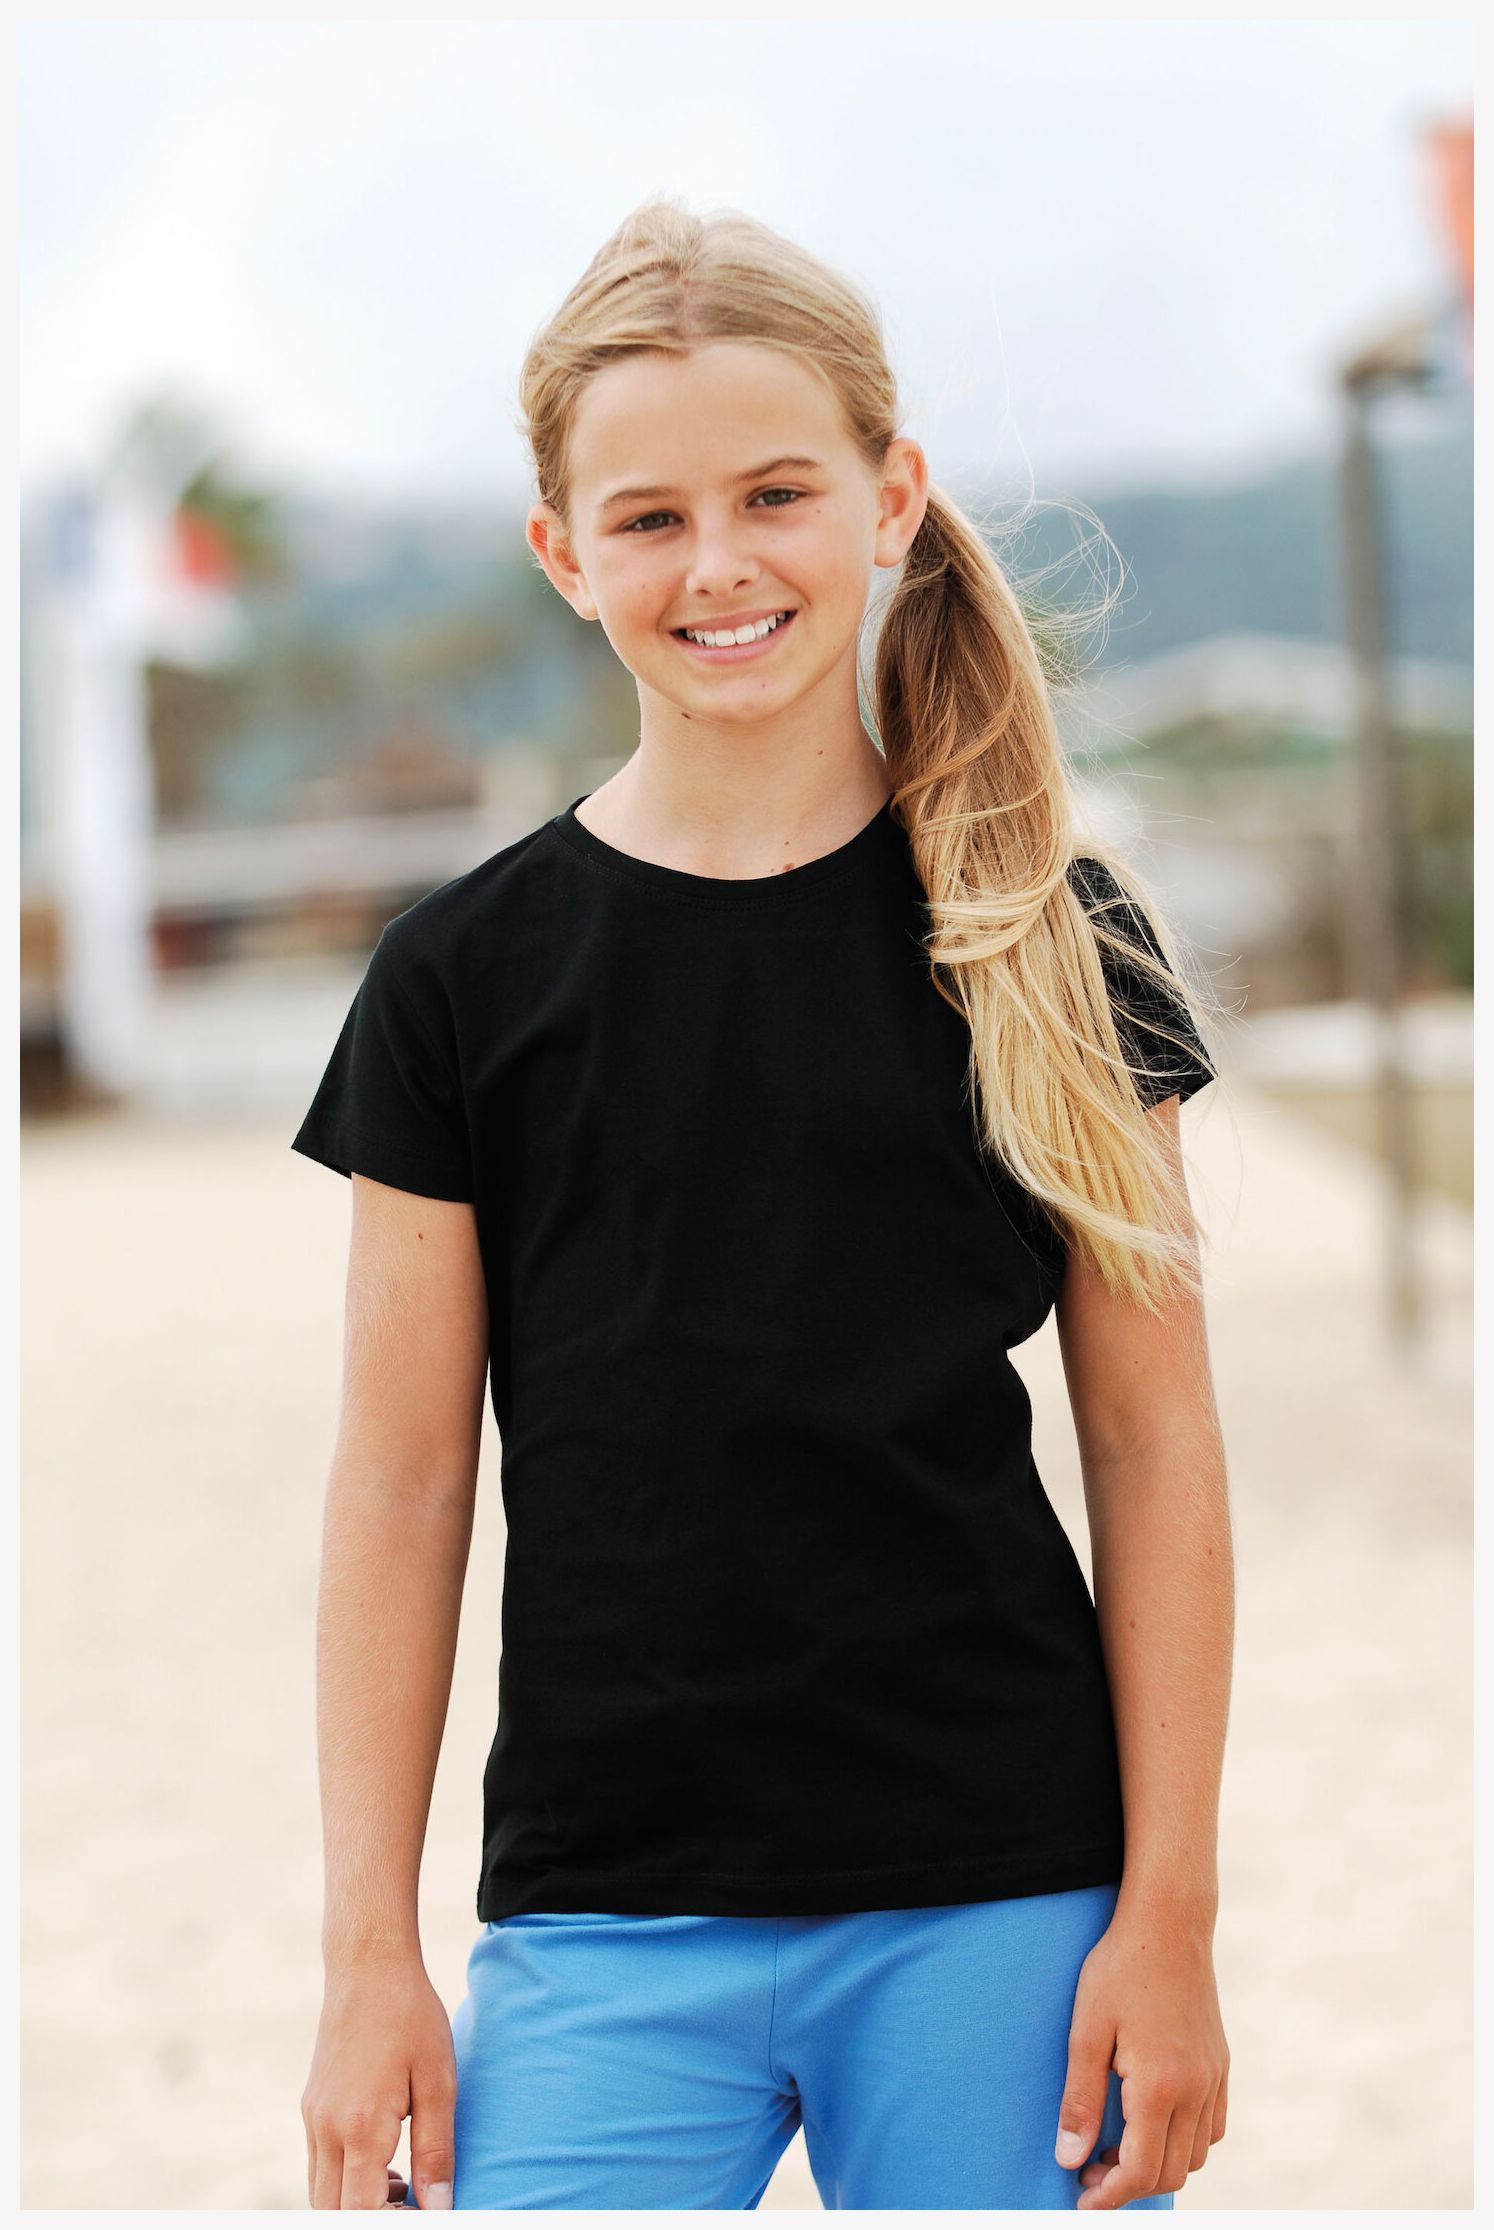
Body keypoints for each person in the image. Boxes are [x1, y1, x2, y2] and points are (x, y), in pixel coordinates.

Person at [293, 196, 1234, 2212]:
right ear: (564, 554)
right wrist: (368, 1950)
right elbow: (403, 1483)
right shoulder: (458, 981)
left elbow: (1155, 1443)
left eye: (775, 494)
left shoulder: (1053, 937)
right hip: (602, 1913)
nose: (716, 564)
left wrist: (1169, 1913)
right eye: (648, 518)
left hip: (1005, 1894)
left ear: (890, 500)